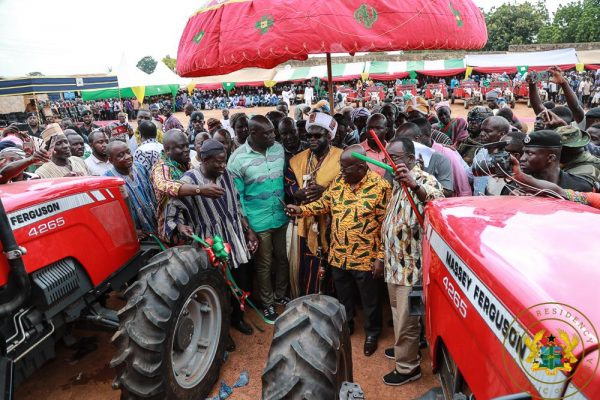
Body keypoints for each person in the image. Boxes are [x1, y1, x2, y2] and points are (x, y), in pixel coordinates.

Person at [286, 145, 390, 356]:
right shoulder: (340, 182)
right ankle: (347, 325)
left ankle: (372, 333)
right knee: (344, 297)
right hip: (339, 255)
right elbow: (323, 204)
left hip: (366, 257)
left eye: (345, 168)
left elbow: (386, 227)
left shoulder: (381, 187)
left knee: (370, 300)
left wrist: (380, 258)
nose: (341, 172)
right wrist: (300, 210)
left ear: (361, 168)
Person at [165, 139, 259, 336]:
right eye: (217, 162)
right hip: (210, 244)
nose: (222, 165)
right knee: (217, 289)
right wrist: (181, 226)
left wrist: (247, 230)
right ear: (204, 159)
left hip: (234, 240)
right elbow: (174, 210)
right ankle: (222, 332)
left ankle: (237, 319)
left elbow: (237, 205)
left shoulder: (227, 175)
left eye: (224, 161)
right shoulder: (189, 180)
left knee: (240, 283)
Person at [381, 136, 444, 386]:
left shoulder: (424, 179)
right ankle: (404, 349)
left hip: (411, 265)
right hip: (394, 264)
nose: (389, 162)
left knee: (407, 319)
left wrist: (415, 184)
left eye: (393, 158)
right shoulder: (397, 181)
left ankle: (408, 367)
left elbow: (437, 203)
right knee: (399, 315)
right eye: (388, 157)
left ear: (411, 158)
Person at [227, 115, 289, 322]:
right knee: (263, 264)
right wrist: (248, 228)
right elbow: (238, 199)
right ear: (253, 134)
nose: (273, 135)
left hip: (281, 218)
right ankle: (268, 303)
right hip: (257, 222)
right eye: (268, 133)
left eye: (273, 131)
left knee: (283, 259)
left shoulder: (278, 149)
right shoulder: (236, 160)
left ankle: (281, 296)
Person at [285, 113, 343, 297]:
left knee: (333, 271)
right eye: (309, 136)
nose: (311, 139)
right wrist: (297, 192)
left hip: (334, 223)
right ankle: (309, 304)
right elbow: (288, 183)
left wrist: (325, 192)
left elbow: (350, 186)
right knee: (309, 268)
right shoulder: (297, 160)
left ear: (329, 136)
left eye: (317, 136)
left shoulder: (341, 158)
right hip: (307, 222)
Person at [151, 129, 225, 242]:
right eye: (181, 147)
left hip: (192, 221)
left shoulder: (186, 164)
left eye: (187, 145)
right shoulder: (161, 168)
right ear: (167, 150)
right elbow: (165, 185)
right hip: (173, 226)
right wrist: (200, 190)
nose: (187, 150)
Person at [105, 140, 157, 237]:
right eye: (120, 155)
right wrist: (132, 230)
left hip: (155, 224)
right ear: (111, 160)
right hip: (136, 234)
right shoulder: (108, 180)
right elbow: (111, 214)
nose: (128, 157)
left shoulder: (140, 168)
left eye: (128, 152)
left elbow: (152, 193)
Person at [519, 130, 593, 192]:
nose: (522, 158)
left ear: (551, 158)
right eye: (523, 153)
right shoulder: (516, 186)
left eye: (529, 153)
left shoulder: (579, 187)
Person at [412, 118, 471, 196]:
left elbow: (463, 186)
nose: (410, 141)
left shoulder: (447, 153)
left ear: (427, 135)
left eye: (414, 137)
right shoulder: (410, 152)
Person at [396, 122, 455, 197]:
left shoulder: (440, 159)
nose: (399, 145)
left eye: (404, 141)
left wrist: (420, 176)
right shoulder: (398, 158)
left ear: (416, 139)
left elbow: (447, 193)